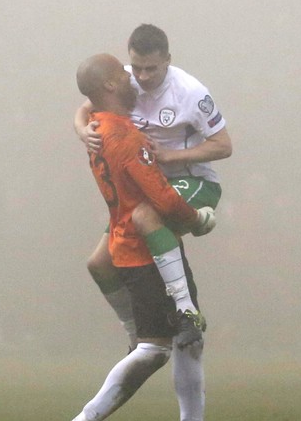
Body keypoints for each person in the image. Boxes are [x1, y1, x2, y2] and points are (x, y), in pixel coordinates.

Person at [54, 53, 243, 421]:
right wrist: (200, 219)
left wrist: (79, 126)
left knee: (188, 342)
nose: (130, 77)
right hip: (146, 251)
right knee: (155, 349)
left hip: (131, 244)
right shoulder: (126, 138)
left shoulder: (98, 129)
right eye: (122, 73)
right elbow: (161, 202)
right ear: (108, 86)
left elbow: (88, 107)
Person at [74, 24, 232, 348]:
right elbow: (87, 104)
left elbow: (223, 145)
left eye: (152, 69)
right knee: (99, 264)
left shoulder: (190, 92)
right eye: (137, 67)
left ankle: (186, 312)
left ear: (168, 61)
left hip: (191, 180)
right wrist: (80, 129)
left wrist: (174, 156)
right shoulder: (124, 79)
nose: (142, 77)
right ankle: (134, 330)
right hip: (147, 184)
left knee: (147, 217)